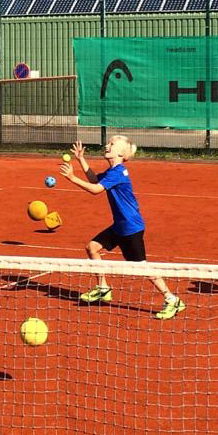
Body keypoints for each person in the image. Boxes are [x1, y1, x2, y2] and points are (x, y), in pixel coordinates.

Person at [58, 136, 185, 320]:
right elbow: (95, 180)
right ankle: (103, 288)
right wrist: (81, 159)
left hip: (130, 228)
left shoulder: (118, 173)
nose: (106, 145)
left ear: (120, 153)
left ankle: (172, 299)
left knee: (142, 268)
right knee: (92, 247)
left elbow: (95, 190)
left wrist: (71, 178)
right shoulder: (113, 172)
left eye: (111, 144)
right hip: (120, 226)